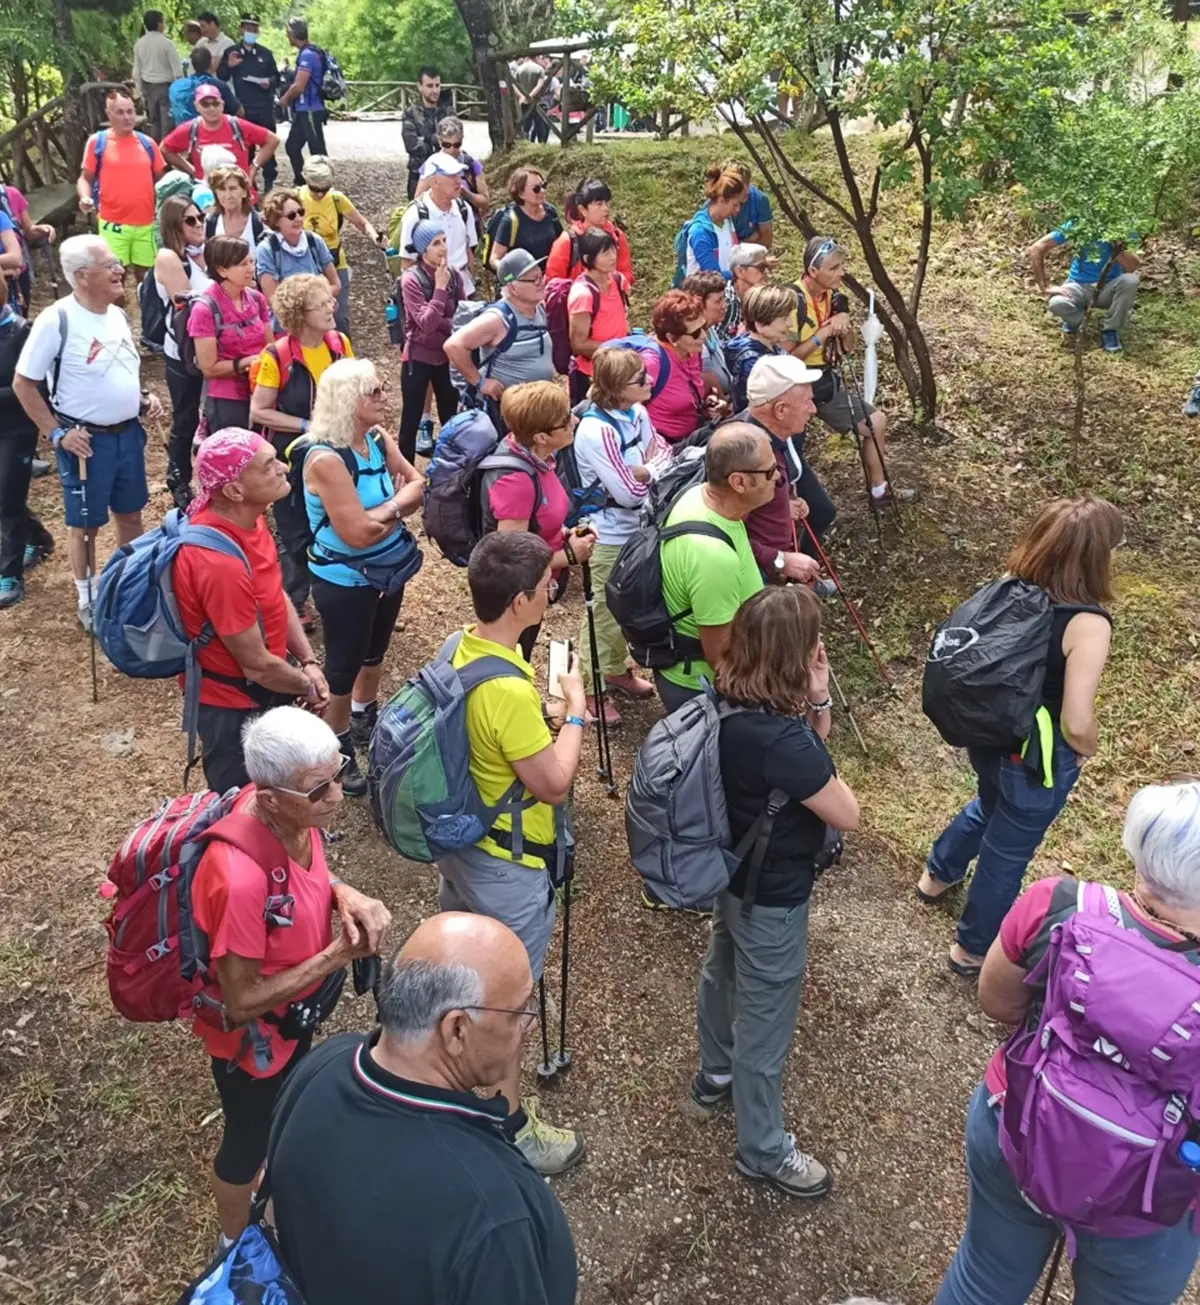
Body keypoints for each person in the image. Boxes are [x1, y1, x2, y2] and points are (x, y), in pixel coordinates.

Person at [935, 781, 1200, 1305]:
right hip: (1147, 1200)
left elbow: (997, 1002)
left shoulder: (1058, 904)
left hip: (1018, 1129)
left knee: (983, 1277)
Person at [270, 914, 578, 1304]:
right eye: (519, 1012)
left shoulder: (322, 1065)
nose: (527, 1027)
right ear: (457, 1030)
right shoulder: (490, 1210)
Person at [189, 705, 389, 1243]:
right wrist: (336, 956)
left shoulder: (295, 819)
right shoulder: (239, 881)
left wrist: (344, 893)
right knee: (246, 1142)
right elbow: (239, 1001)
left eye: (337, 773)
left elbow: (309, 878)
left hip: (290, 1021)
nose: (337, 795)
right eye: (318, 789)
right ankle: (234, 1246)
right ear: (270, 797)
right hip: (253, 1043)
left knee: (283, 1113)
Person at [689, 586, 858, 1197]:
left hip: (727, 872)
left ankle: (713, 1073)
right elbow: (846, 811)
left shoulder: (723, 698)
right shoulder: (781, 742)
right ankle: (762, 1149)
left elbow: (809, 748)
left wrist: (814, 701)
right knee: (767, 1020)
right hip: (775, 895)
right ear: (796, 653)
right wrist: (817, 702)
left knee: (721, 968)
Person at [917, 495, 1122, 976]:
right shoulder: (1086, 623)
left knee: (988, 807)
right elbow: (1075, 720)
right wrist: (1087, 749)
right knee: (1007, 852)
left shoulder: (1008, 587)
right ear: (1098, 557)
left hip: (987, 736)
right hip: (1035, 759)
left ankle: (935, 876)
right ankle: (970, 950)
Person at [435, 529, 587, 1174]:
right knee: (506, 995)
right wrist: (573, 715)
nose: (554, 589)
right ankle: (509, 1125)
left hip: (461, 844)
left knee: (456, 964)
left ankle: (439, 1073)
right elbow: (553, 782)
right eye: (548, 583)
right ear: (523, 600)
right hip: (510, 862)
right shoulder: (510, 690)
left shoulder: (457, 648)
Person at [14, 234, 163, 632]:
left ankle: (130, 585)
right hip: (85, 443)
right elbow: (23, 384)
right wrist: (57, 433)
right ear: (82, 276)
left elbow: (120, 368)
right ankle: (89, 597)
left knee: (131, 513)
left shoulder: (114, 314)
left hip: (128, 435)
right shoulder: (56, 320)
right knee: (85, 524)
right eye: (110, 265)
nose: (120, 271)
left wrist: (142, 396)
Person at [173, 430, 330, 791]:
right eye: (268, 465)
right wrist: (308, 687)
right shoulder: (216, 562)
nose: (283, 467)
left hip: (268, 684)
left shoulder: (252, 520)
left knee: (283, 788)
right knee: (244, 803)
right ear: (234, 491)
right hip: (234, 708)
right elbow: (255, 664)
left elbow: (274, 595)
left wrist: (307, 661)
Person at [303, 359, 423, 791]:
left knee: (374, 657)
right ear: (349, 401)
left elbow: (417, 483)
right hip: (344, 579)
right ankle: (336, 750)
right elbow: (357, 534)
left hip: (387, 570)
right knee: (342, 669)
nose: (384, 397)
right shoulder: (324, 459)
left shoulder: (377, 438)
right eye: (375, 391)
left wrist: (381, 515)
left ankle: (363, 719)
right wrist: (396, 507)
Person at [572, 347, 671, 721]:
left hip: (637, 528)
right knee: (601, 610)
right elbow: (627, 493)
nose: (649, 381)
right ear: (617, 388)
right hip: (606, 534)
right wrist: (647, 470)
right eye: (640, 379)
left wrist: (645, 469)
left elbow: (665, 451)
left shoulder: (638, 412)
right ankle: (589, 687)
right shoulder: (596, 431)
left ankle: (613, 668)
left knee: (626, 608)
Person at [250, 273, 351, 617]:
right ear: (298, 313)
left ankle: (336, 589)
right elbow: (259, 411)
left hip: (336, 450)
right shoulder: (276, 356)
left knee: (337, 519)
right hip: (292, 459)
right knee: (295, 528)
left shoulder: (339, 343)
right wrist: (308, 426)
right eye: (320, 303)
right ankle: (293, 603)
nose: (330, 307)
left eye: (329, 299)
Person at [653, 423, 772, 712]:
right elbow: (719, 658)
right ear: (739, 482)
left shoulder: (698, 495)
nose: (778, 477)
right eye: (769, 472)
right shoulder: (713, 557)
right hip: (705, 692)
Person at [486, 381, 596, 660]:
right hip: (518, 598)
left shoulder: (538, 458)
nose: (575, 420)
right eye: (564, 421)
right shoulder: (516, 482)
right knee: (512, 659)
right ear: (541, 436)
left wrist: (563, 532)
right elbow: (512, 560)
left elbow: (539, 518)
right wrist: (569, 554)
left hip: (538, 585)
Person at [796, 237, 909, 506]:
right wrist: (824, 333)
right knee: (791, 453)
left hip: (825, 382)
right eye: (833, 268)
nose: (841, 273)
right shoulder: (793, 301)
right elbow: (787, 358)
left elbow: (847, 349)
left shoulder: (833, 299)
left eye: (842, 266)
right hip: (796, 385)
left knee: (876, 422)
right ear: (813, 271)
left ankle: (879, 491)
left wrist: (844, 326)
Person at [742, 355, 837, 574]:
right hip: (756, 583)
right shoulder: (747, 456)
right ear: (780, 410)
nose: (813, 410)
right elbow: (726, 534)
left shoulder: (775, 437)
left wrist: (787, 501)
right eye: (807, 402)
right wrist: (779, 561)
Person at [443, 250, 553, 435]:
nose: (541, 282)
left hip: (535, 412)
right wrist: (480, 382)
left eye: (540, 276)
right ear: (512, 288)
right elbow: (453, 346)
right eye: (533, 279)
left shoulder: (538, 309)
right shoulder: (498, 319)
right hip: (505, 417)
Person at [0, 276, 55, 611]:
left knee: (7, 498)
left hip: (17, 429)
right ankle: (37, 537)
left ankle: (10, 572)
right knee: (5, 494)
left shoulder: (21, 332)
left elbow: (33, 389)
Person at [153, 195, 211, 508]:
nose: (199, 224)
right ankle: (178, 478)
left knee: (213, 415)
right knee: (186, 416)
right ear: (175, 224)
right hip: (184, 352)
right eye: (190, 220)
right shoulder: (169, 257)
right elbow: (187, 301)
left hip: (214, 347)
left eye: (201, 217)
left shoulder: (204, 252)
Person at [76, 90, 167, 287]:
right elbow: (85, 179)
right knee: (115, 280)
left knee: (149, 280)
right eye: (120, 112)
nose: (127, 117)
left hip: (146, 225)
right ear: (108, 114)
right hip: (112, 225)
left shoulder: (148, 143)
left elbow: (161, 181)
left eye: (130, 111)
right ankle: (118, 317)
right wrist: (85, 198)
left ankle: (149, 317)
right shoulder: (97, 142)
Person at [187, 236, 272, 433]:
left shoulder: (256, 299)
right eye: (243, 264)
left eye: (251, 261)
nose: (251, 269)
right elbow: (208, 367)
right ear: (221, 269)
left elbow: (270, 345)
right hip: (227, 399)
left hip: (262, 389)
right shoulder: (205, 309)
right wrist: (246, 362)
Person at [396, 222, 463, 463]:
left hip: (446, 356)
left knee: (451, 418)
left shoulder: (454, 274)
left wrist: (443, 322)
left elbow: (462, 316)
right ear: (423, 250)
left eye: (444, 240)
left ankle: (450, 472)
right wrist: (440, 288)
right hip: (418, 357)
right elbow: (425, 322)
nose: (443, 248)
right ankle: (406, 475)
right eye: (436, 243)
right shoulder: (410, 280)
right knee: (411, 420)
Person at [1028, 222, 1142, 353]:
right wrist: (1044, 287)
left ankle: (1110, 330)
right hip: (1078, 285)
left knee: (1131, 280)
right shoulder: (1080, 222)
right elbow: (1037, 248)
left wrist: (1117, 246)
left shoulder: (1124, 228)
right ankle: (1078, 322)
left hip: (1108, 288)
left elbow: (1131, 267)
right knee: (1057, 304)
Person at [299, 156, 379, 335]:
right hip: (306, 263)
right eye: (315, 189)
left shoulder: (336, 199)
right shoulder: (297, 196)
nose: (319, 194)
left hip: (334, 262)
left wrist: (375, 238)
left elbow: (362, 222)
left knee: (339, 316)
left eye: (324, 189)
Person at [162, 86, 279, 201]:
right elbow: (165, 149)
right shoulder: (190, 129)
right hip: (208, 196)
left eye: (215, 103)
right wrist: (191, 170)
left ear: (222, 105)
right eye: (205, 104)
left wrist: (254, 168)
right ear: (197, 107)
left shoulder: (237, 125)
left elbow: (272, 140)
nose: (211, 108)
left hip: (240, 194)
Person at [642, 289, 722, 445]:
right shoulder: (653, 363)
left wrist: (708, 402)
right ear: (672, 338)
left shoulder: (692, 351)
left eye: (704, 327)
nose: (704, 336)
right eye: (695, 333)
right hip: (664, 446)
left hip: (692, 437)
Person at [397, 152, 480, 298]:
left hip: (464, 290)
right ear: (434, 181)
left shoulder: (463, 208)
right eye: (451, 176)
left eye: (459, 175)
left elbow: (468, 251)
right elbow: (407, 263)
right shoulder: (416, 214)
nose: (458, 181)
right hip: (430, 292)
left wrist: (472, 281)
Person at [567, 227, 630, 406]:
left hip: (619, 367)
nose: (612, 256)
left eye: (612, 250)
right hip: (591, 374)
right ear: (587, 259)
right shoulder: (583, 294)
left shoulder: (617, 280)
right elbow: (578, 344)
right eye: (605, 253)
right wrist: (618, 348)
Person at [218, 15, 280, 191]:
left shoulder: (265, 54)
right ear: (241, 29)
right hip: (243, 108)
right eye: (248, 28)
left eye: (254, 28)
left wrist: (269, 81)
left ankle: (269, 181)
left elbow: (277, 77)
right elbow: (222, 76)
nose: (251, 32)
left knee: (268, 145)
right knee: (245, 147)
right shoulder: (232, 52)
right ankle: (247, 183)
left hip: (264, 107)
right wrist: (229, 65)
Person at [255, 187, 340, 314]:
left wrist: (309, 300)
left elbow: (336, 285)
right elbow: (273, 299)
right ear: (276, 220)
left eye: (300, 212)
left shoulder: (314, 241)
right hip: (284, 328)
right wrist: (314, 298)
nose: (299, 219)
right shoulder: (266, 249)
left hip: (318, 323)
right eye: (291, 215)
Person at [545, 177, 635, 285]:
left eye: (607, 203)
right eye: (599, 204)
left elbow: (626, 273)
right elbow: (553, 284)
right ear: (583, 210)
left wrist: (612, 284)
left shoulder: (616, 237)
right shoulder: (567, 242)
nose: (606, 208)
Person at [725, 283, 797, 413]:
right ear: (760, 324)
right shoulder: (753, 364)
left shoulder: (771, 348)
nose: (790, 324)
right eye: (784, 318)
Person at [279, 18, 328, 185]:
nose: (287, 36)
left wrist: (285, 99)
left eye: (288, 33)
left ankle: (324, 186)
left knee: (317, 152)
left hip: (310, 109)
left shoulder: (308, 54)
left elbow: (299, 86)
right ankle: (301, 182)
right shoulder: (308, 52)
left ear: (293, 33)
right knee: (292, 146)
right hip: (302, 109)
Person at [487, 166, 563, 273]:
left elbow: (562, 243)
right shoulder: (511, 220)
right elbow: (494, 259)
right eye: (536, 188)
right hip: (524, 284)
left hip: (549, 279)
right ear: (520, 193)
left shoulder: (550, 212)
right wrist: (514, 275)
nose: (542, 191)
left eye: (544, 185)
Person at [681, 161, 747, 279]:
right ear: (722, 200)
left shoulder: (727, 222)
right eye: (735, 205)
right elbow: (713, 274)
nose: (738, 210)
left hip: (725, 293)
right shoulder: (699, 231)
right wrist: (743, 275)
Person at [413, 116, 490, 217]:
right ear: (439, 141)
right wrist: (440, 192)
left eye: (457, 145)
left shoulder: (472, 164)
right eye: (447, 145)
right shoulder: (430, 165)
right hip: (438, 222)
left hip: (468, 223)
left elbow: (485, 202)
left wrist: (468, 195)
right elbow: (418, 199)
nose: (452, 149)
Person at [401, 65, 451, 200]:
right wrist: (435, 141)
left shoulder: (447, 111)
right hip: (418, 176)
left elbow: (454, 142)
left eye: (437, 85)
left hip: (446, 176)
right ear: (419, 86)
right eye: (429, 86)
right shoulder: (411, 113)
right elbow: (412, 146)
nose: (435, 90)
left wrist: (426, 139)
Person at [133, 10, 183, 140]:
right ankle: (166, 152)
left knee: (154, 122)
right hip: (166, 87)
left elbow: (136, 71)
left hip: (148, 87)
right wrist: (179, 90)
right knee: (167, 122)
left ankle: (155, 149)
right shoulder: (167, 44)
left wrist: (140, 91)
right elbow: (177, 71)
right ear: (159, 24)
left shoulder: (139, 44)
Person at [681, 270, 732, 397]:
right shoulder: (695, 344)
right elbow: (716, 395)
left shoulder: (710, 330)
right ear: (698, 302)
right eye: (718, 301)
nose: (724, 305)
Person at [168, 43, 240, 125]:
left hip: (182, 131)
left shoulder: (176, 86)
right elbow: (240, 112)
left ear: (193, 65)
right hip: (209, 131)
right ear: (211, 64)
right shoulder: (217, 85)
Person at [719, 242, 772, 341]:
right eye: (761, 267)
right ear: (740, 271)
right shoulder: (725, 302)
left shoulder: (759, 298)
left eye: (768, 268)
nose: (767, 273)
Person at [203, 165, 265, 245]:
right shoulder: (209, 224)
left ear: (244, 192)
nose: (228, 195)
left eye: (233, 189)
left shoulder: (259, 224)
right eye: (222, 189)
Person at [726, 160, 774, 248]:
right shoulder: (716, 204)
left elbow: (766, 242)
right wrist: (749, 240)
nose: (746, 191)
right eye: (740, 188)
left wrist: (736, 245)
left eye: (747, 184)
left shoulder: (760, 200)